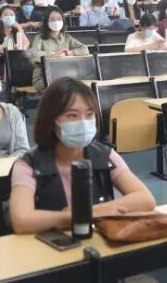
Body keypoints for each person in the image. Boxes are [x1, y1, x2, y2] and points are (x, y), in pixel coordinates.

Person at [8, 77, 155, 233]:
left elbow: (145, 199)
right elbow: (21, 220)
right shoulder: (28, 164)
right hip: (49, 244)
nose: (83, 122)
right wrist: (80, 216)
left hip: (97, 242)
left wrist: (93, 211)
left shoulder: (104, 155)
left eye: (90, 114)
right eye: (72, 115)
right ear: (51, 120)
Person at [28, 7, 90, 92]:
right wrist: (54, 54)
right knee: (63, 88)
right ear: (47, 22)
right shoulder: (39, 38)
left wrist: (69, 53)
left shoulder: (67, 38)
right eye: (52, 19)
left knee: (76, 87)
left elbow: (85, 49)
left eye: (59, 19)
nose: (56, 22)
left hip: (65, 75)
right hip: (43, 77)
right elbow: (34, 54)